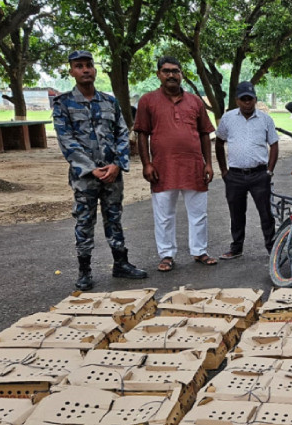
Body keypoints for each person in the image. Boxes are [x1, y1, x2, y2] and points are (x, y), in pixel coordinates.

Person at [52, 50, 147, 290]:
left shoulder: (109, 102)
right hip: (85, 178)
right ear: (72, 71)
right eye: (79, 66)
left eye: (89, 65)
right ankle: (85, 272)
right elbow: (67, 141)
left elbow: (122, 133)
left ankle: (121, 263)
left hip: (112, 174)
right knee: (84, 221)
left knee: (114, 218)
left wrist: (117, 164)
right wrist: (92, 169)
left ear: (94, 70)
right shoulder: (63, 104)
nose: (85, 70)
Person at [133, 56, 217, 272]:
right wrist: (147, 164)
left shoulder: (195, 101)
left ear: (181, 74)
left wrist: (208, 163)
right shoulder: (148, 101)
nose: (171, 75)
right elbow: (142, 134)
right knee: (164, 215)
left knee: (199, 214)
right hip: (162, 168)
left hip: (194, 166)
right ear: (158, 74)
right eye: (166, 71)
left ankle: (199, 251)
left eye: (175, 71)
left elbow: (205, 134)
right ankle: (166, 255)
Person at [215, 81, 278, 259]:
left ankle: (271, 247)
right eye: (243, 99)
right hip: (234, 175)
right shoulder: (228, 118)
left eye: (250, 99)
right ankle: (236, 248)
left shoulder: (265, 119)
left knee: (266, 213)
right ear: (237, 101)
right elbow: (219, 142)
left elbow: (274, 145)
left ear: (255, 99)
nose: (247, 102)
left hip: (259, 174)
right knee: (236, 213)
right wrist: (223, 170)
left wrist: (270, 171)